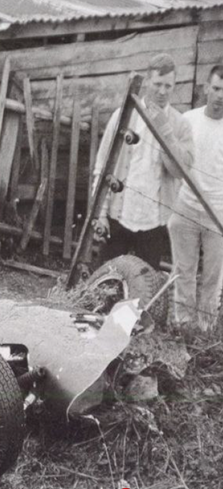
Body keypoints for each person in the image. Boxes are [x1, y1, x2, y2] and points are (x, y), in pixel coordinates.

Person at [92, 53, 194, 269]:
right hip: (118, 217)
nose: (162, 91)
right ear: (147, 81)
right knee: (105, 282)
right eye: (158, 84)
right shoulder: (124, 115)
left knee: (144, 289)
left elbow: (180, 171)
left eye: (168, 85)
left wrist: (165, 130)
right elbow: (101, 166)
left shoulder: (180, 125)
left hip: (153, 223)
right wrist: (99, 214)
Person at [169, 62, 223, 330]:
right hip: (186, 207)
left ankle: (204, 330)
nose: (221, 96)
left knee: (213, 277)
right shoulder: (188, 120)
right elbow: (171, 163)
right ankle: (183, 326)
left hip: (219, 214)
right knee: (184, 272)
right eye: (217, 88)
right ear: (206, 88)